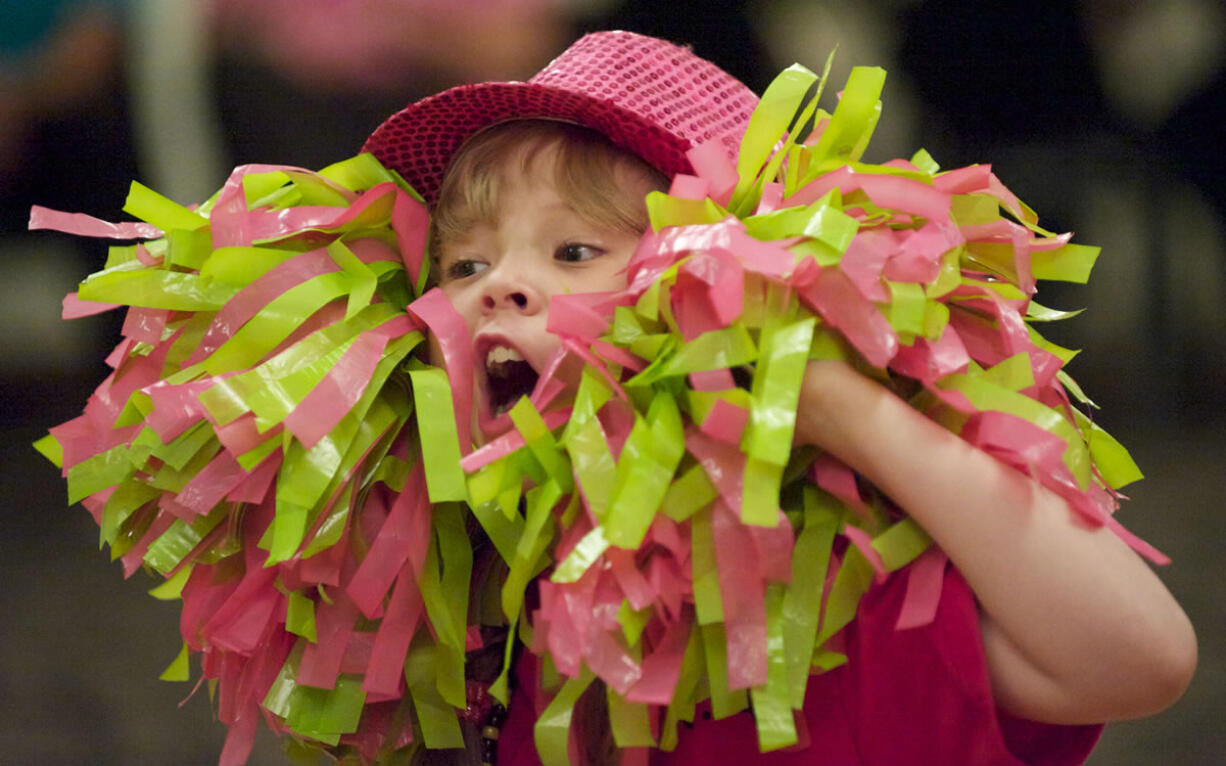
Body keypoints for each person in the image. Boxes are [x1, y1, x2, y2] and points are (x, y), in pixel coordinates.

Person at [37, 30, 1194, 766]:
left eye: (575, 253)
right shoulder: (517, 625)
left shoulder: (843, 598)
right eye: (464, 265)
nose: (500, 291)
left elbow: (1144, 658)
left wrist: (848, 412)